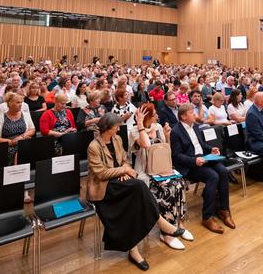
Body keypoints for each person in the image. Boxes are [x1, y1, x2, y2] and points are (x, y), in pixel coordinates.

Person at [87, 113, 187, 271]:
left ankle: (134, 249)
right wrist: (123, 170)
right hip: (104, 188)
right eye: (116, 127)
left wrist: (125, 171)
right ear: (108, 128)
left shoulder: (117, 139)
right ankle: (159, 223)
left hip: (120, 181)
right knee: (139, 188)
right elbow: (101, 173)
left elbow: (125, 159)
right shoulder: (94, 146)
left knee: (137, 196)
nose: (119, 129)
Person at [129, 104, 190, 250]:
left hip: (160, 168)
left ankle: (179, 224)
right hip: (145, 171)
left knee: (179, 182)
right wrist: (140, 124)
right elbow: (145, 144)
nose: (157, 116)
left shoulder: (157, 127)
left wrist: (167, 136)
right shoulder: (134, 130)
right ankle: (166, 233)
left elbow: (164, 150)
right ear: (146, 116)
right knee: (167, 188)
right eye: (154, 114)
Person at [171, 104, 235, 233]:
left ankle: (223, 209)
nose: (194, 114)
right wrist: (194, 160)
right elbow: (176, 156)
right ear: (183, 116)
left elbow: (200, 145)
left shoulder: (195, 126)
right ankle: (207, 216)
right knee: (213, 176)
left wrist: (210, 149)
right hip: (190, 164)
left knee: (223, 171)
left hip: (203, 158)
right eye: (191, 112)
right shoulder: (176, 131)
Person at [0, 92, 36, 166]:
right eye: (18, 102)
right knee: (18, 152)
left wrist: (22, 136)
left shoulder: (25, 115)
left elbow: (32, 130)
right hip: (8, 145)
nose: (21, 104)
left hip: (23, 141)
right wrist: (12, 142)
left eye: (21, 102)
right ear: (10, 104)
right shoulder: (1, 118)